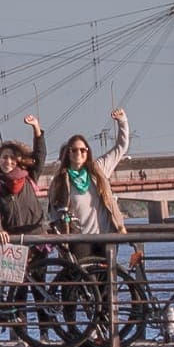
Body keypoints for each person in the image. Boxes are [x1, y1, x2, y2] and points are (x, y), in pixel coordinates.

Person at [0, 114, 46, 345]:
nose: (7, 161)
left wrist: (37, 129)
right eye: (3, 157)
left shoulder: (29, 177)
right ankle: (20, 335)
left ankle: (44, 334)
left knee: (39, 288)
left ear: (18, 160)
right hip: (13, 242)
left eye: (11, 157)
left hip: (36, 238)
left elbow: (40, 155)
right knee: (18, 291)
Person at [47, 108, 129, 262]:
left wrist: (122, 121)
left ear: (87, 152)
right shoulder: (60, 180)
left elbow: (121, 147)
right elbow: (54, 211)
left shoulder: (98, 169)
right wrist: (61, 236)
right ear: (68, 153)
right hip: (79, 239)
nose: (79, 153)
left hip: (105, 235)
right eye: (74, 150)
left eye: (83, 150)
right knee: (83, 274)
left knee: (107, 275)